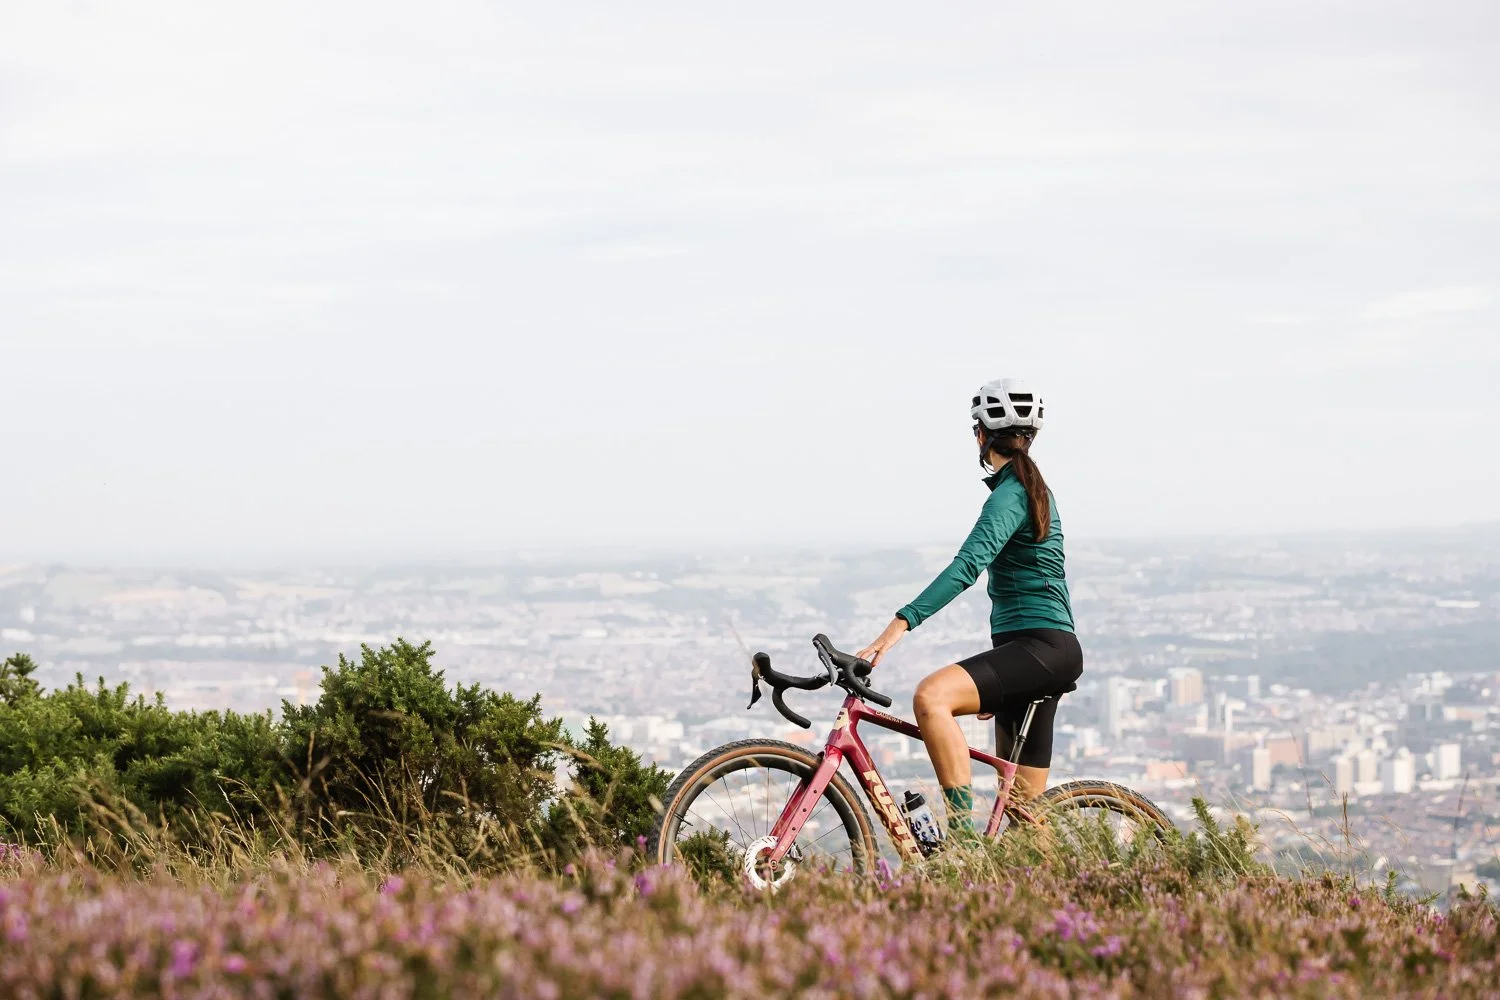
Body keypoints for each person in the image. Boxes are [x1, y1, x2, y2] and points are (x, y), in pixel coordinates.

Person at [857, 378, 1081, 840]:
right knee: (1025, 825)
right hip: (1044, 652)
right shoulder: (1029, 490)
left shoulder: (1011, 495)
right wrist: (1003, 675)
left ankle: (959, 846)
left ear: (980, 435)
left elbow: (966, 568)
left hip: (1041, 650)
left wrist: (896, 628)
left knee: (931, 697)